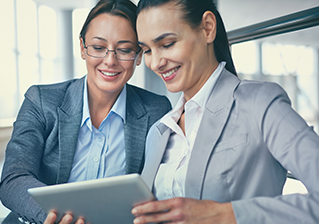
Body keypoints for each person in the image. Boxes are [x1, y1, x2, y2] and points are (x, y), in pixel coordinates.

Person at [131, 0, 319, 223]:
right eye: (147, 50)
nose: (156, 63)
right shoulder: (159, 131)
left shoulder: (260, 104)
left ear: (208, 28)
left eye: (168, 43)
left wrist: (225, 214)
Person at [0, 0, 172, 223]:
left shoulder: (155, 110)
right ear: (82, 48)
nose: (110, 61)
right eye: (98, 48)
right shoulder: (42, 101)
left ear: (138, 56)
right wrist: (53, 217)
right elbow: (13, 179)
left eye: (125, 50)